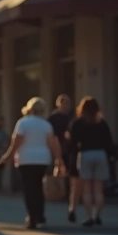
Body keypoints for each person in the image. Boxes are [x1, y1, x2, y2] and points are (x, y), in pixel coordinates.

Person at [0, 97, 64, 230]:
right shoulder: (46, 125)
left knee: (29, 188)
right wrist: (59, 160)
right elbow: (53, 143)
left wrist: (8, 157)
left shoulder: (23, 123)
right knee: (38, 187)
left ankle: (32, 216)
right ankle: (40, 215)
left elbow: (16, 142)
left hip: (25, 159)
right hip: (42, 159)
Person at [67, 97, 118, 227]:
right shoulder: (101, 123)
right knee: (98, 189)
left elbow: (72, 142)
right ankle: (98, 216)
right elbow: (109, 141)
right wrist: (113, 155)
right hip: (100, 154)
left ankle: (88, 217)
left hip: (85, 154)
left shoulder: (78, 123)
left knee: (87, 190)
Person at [48, 94, 78, 222]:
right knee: (59, 169)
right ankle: (57, 192)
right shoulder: (53, 118)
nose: (66, 106)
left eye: (68, 104)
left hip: (69, 148)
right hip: (57, 145)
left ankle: (65, 192)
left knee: (69, 170)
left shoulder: (71, 118)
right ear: (59, 104)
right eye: (64, 104)